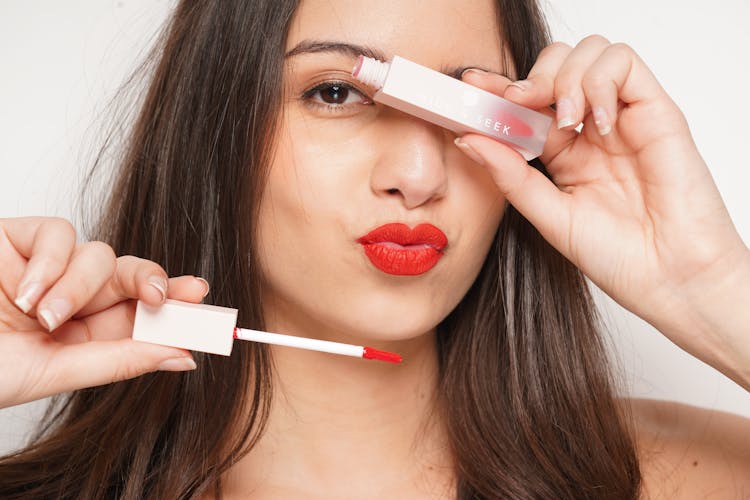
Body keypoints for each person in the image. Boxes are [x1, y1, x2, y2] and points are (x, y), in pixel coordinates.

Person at [1, 0, 749, 498]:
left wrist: (711, 290)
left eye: (472, 109)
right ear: (214, 130)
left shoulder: (689, 477)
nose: (419, 178)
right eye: (335, 93)